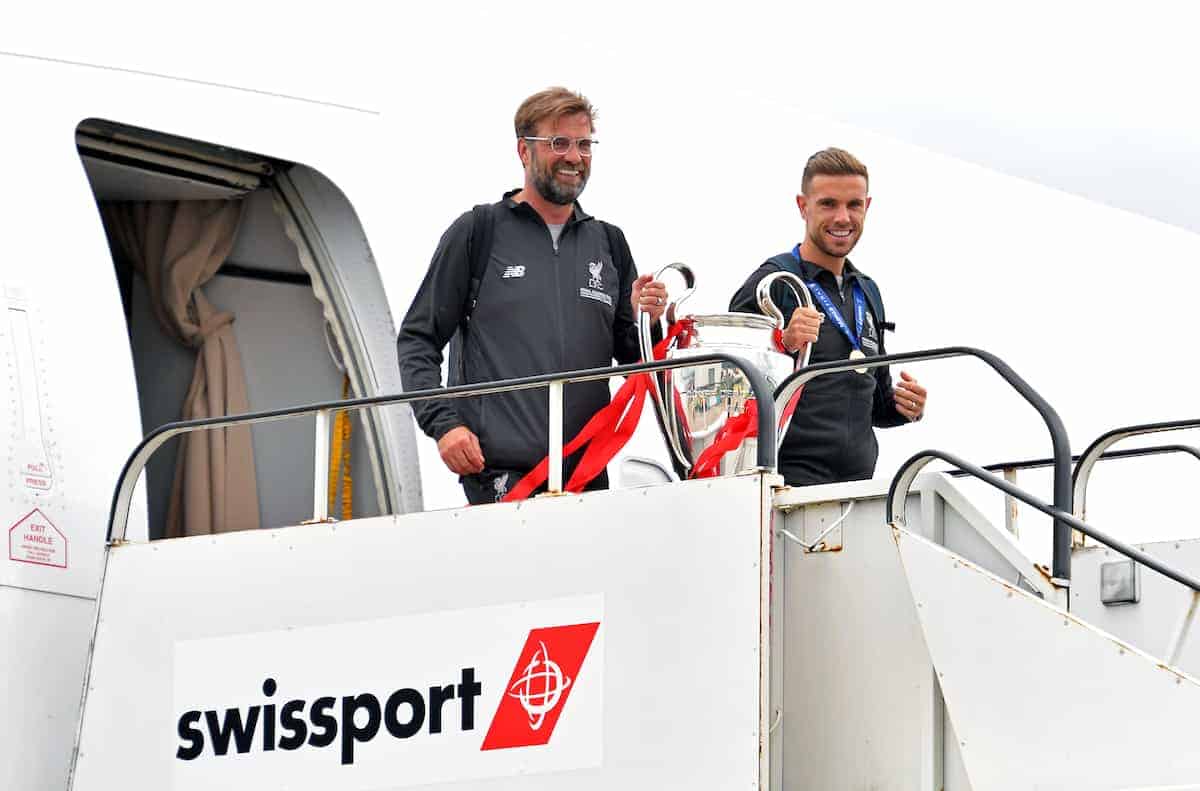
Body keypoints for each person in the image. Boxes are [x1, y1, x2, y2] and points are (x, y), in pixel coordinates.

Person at [397, 87, 668, 504]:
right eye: (558, 143)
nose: (575, 157)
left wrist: (645, 321)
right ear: (524, 151)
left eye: (584, 144)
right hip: (499, 478)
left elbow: (633, 361)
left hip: (587, 478)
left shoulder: (609, 243)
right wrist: (444, 425)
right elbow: (418, 339)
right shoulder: (478, 231)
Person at [729, 147, 927, 486]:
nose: (842, 217)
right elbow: (727, 390)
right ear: (803, 206)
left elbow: (874, 402)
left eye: (853, 205)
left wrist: (903, 407)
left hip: (858, 487)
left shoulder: (868, 291)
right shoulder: (773, 281)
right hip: (782, 487)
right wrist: (783, 342)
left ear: (867, 207)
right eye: (828, 204)